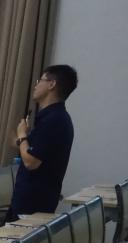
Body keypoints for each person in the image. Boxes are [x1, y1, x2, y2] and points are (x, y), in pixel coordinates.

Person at [10, 64, 78, 219]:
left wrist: (22, 135)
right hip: (35, 200)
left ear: (51, 84)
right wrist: (22, 140)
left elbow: (31, 162)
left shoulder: (53, 120)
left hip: (32, 205)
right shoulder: (56, 117)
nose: (35, 86)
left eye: (40, 80)